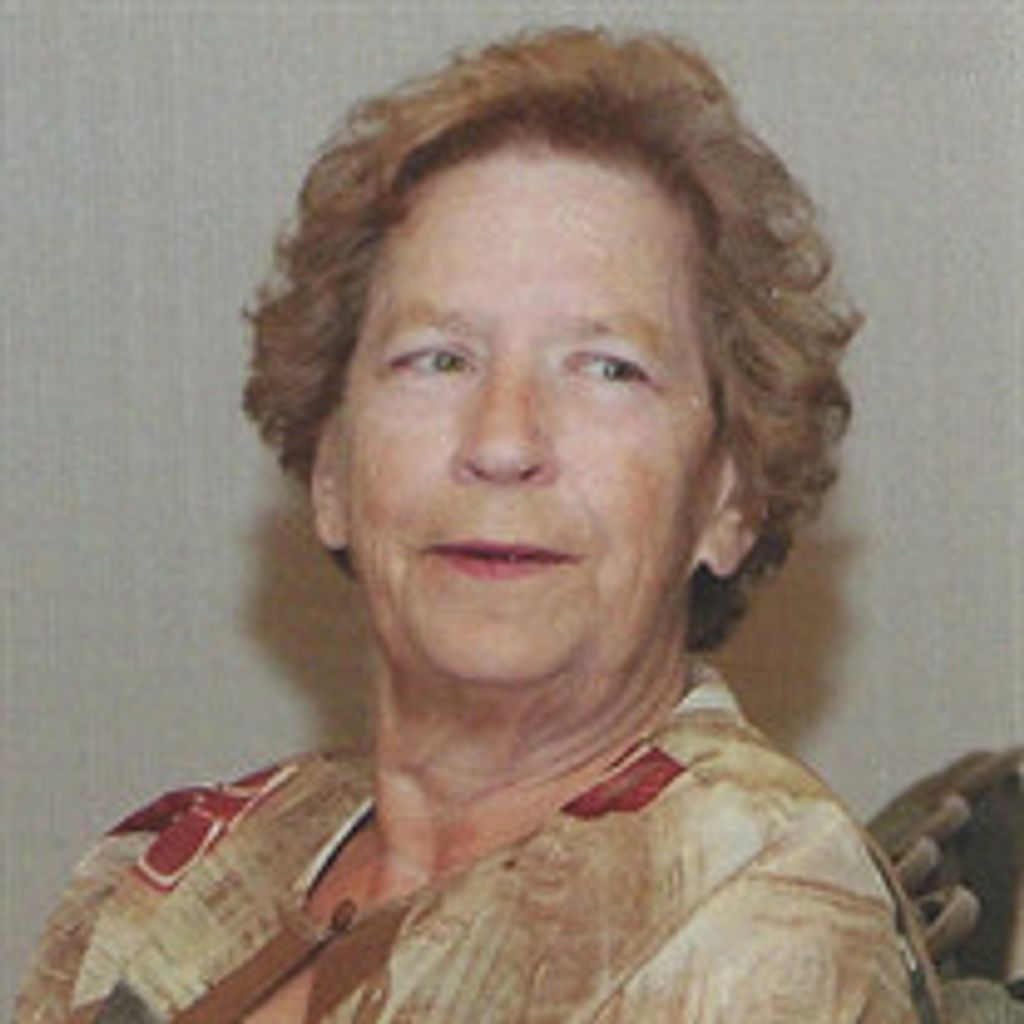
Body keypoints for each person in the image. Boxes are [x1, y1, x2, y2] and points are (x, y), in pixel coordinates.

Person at [17, 26, 941, 1023]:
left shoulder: (755, 904)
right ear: (331, 471)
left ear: (729, 497)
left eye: (607, 369)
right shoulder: (163, 878)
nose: (503, 441)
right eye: (439, 358)